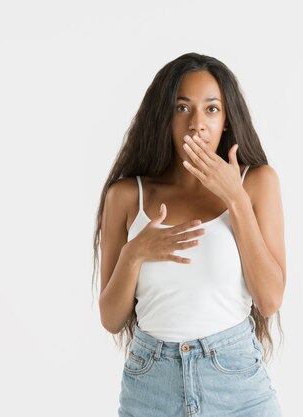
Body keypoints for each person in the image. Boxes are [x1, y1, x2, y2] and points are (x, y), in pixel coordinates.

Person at [92, 52, 286, 416]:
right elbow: (111, 319)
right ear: (163, 117)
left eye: (211, 109)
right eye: (183, 108)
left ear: (227, 119)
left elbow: (270, 299)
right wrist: (135, 253)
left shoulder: (257, 183)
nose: (197, 124)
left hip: (235, 385)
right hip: (151, 387)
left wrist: (236, 199)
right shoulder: (125, 195)